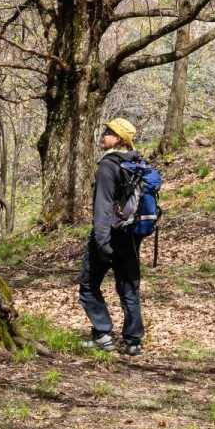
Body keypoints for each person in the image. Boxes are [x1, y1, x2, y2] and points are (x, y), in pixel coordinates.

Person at [79, 117, 159, 356]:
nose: (103, 134)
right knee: (129, 287)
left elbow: (103, 207)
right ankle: (133, 342)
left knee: (88, 284)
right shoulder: (137, 162)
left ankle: (103, 335)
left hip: (110, 235)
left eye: (108, 131)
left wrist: (102, 242)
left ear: (118, 138)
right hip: (132, 235)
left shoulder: (108, 164)